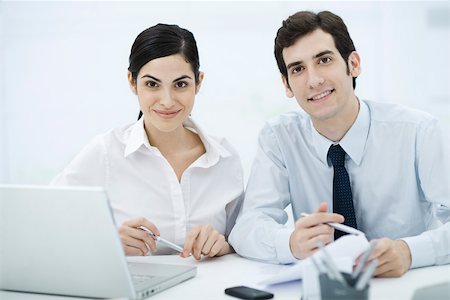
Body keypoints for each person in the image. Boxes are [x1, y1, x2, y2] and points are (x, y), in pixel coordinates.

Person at [229, 10, 449, 277]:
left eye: (324, 60)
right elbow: (247, 227)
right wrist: (290, 243)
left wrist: (409, 251)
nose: (314, 80)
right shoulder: (279, 138)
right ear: (286, 85)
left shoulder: (418, 132)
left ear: (353, 64)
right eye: (298, 69)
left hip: (404, 286)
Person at [52, 24, 244, 260]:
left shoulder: (224, 158)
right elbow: (47, 223)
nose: (167, 101)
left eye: (181, 84)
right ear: (132, 82)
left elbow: (245, 238)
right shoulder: (106, 152)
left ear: (199, 82)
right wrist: (108, 241)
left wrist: (224, 245)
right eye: (152, 84)